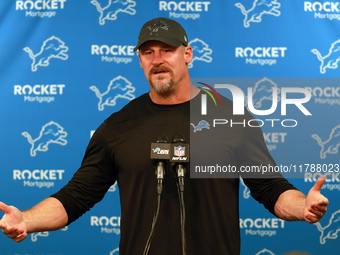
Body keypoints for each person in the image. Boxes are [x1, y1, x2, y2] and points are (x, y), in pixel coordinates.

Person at [0, 17, 329, 255]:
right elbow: (76, 196)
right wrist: (27, 219)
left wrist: (303, 206)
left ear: (187, 54)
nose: (157, 60)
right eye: (148, 52)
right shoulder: (117, 126)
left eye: (167, 49)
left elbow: (269, 187)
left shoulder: (230, 116)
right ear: (140, 60)